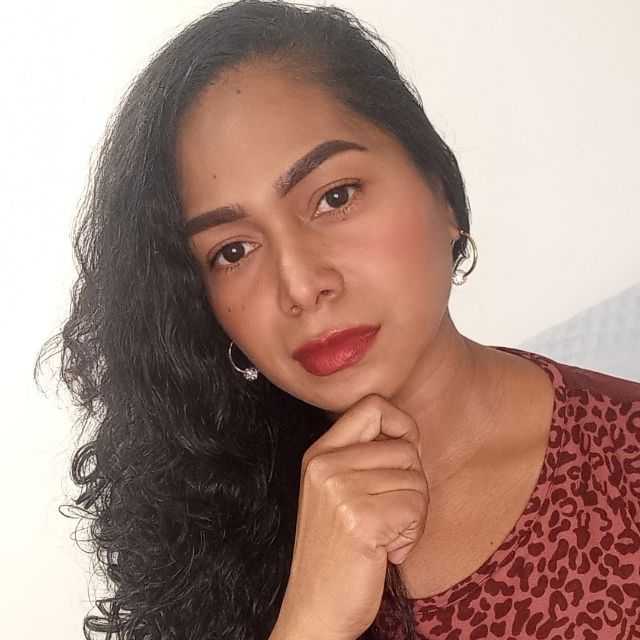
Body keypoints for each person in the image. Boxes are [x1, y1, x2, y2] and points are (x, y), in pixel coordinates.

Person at [35, 1, 640, 639]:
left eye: (334, 197)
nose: (300, 286)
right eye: (233, 251)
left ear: (441, 191)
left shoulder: (624, 465)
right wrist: (314, 619)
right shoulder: (206, 533)